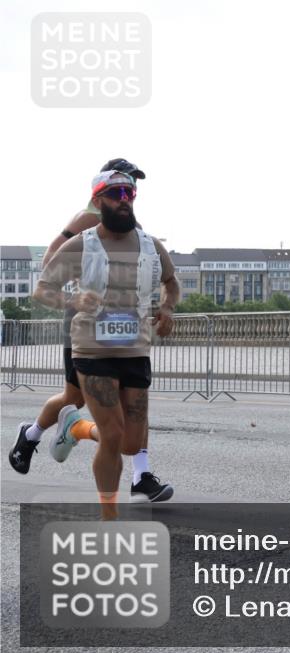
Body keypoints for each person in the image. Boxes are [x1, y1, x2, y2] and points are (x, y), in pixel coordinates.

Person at [9, 159, 173, 503]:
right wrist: (74, 296)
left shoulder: (131, 223)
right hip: (85, 325)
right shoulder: (87, 219)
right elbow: (49, 264)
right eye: (124, 183)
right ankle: (33, 433)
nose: (129, 191)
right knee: (75, 399)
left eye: (134, 186)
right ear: (102, 192)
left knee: (135, 406)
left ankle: (141, 474)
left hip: (126, 332)